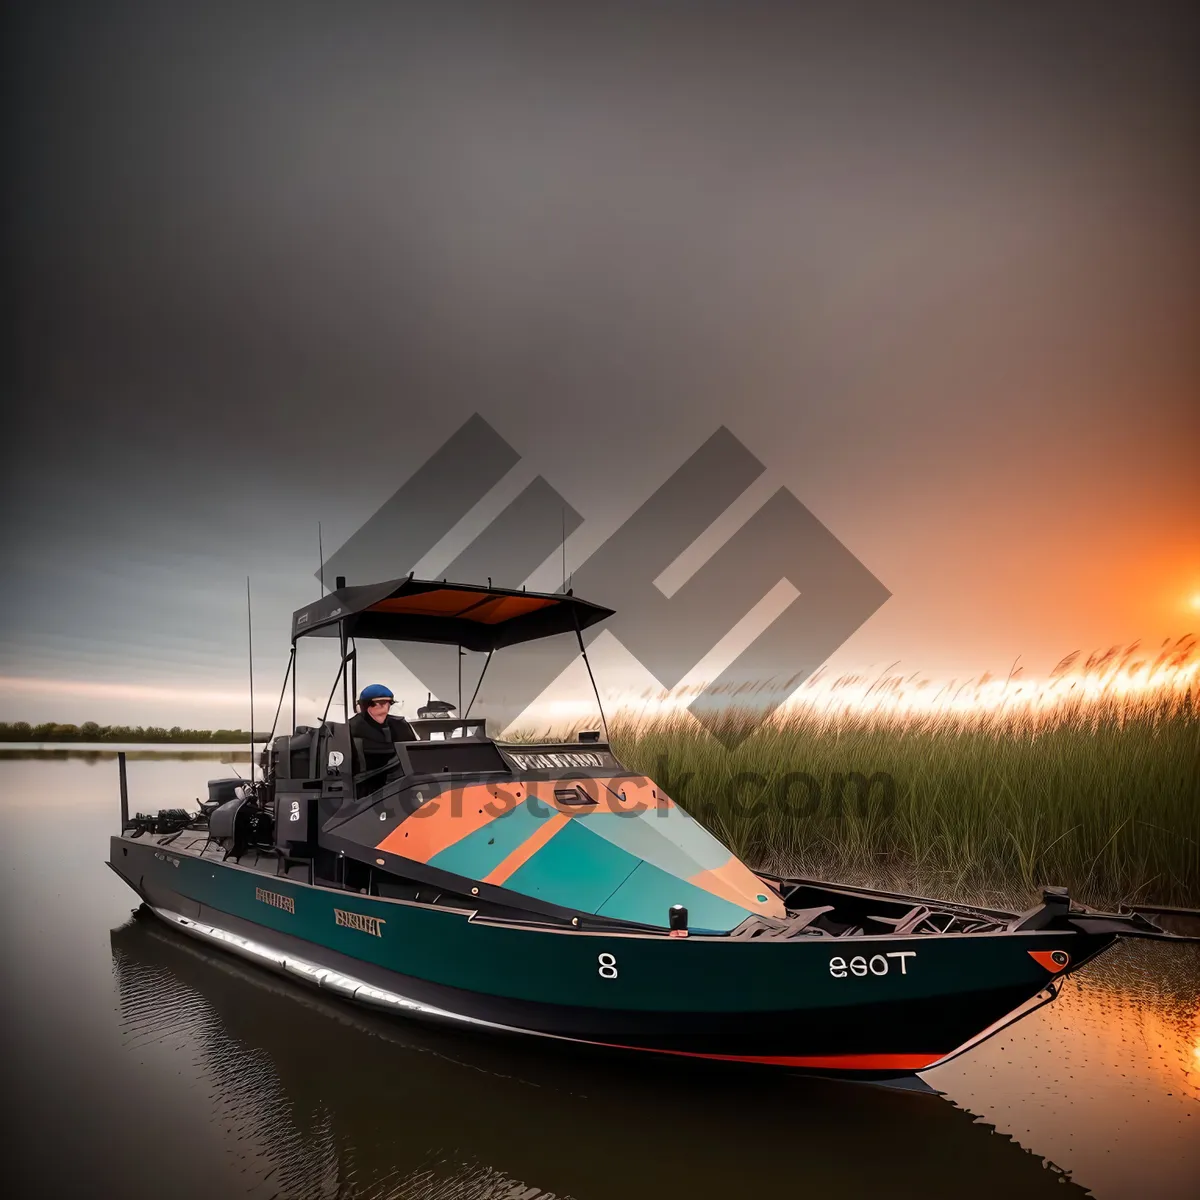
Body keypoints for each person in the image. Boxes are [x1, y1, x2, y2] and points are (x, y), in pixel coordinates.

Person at [348, 684, 416, 778]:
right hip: (365, 784)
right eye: (380, 703)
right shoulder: (351, 729)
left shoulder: (400, 726)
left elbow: (415, 755)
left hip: (402, 782)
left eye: (389, 703)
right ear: (366, 705)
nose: (385, 707)